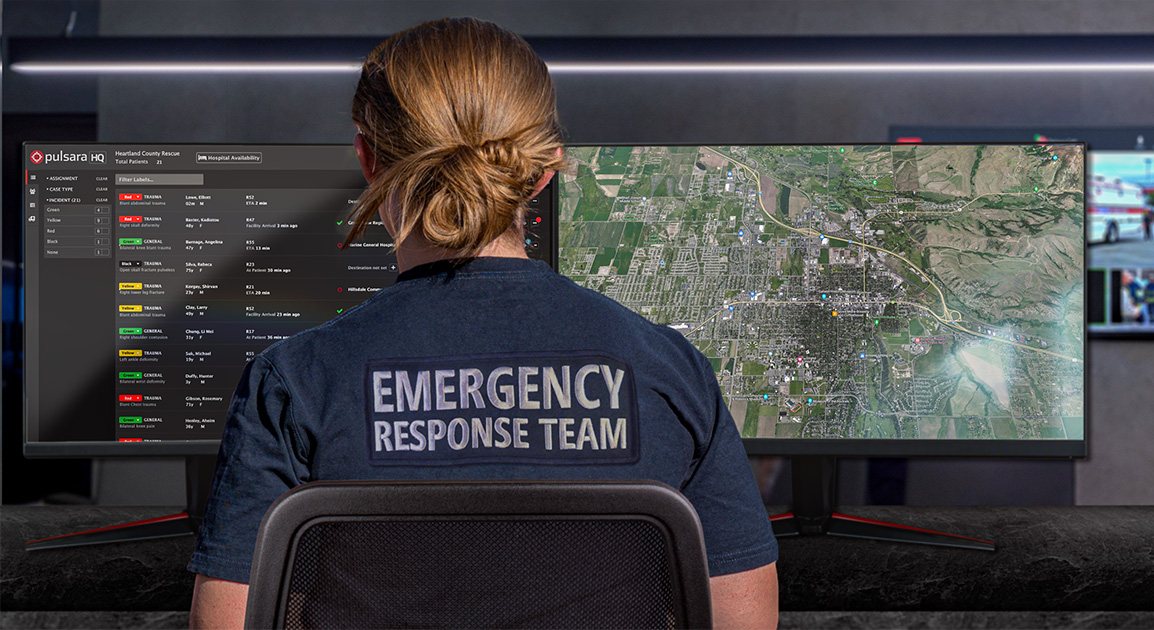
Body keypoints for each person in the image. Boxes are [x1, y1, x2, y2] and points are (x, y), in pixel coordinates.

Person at [188, 18, 778, 629]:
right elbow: (744, 619)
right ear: (546, 168)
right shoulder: (671, 372)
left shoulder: (290, 384)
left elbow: (228, 623)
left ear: (368, 159)